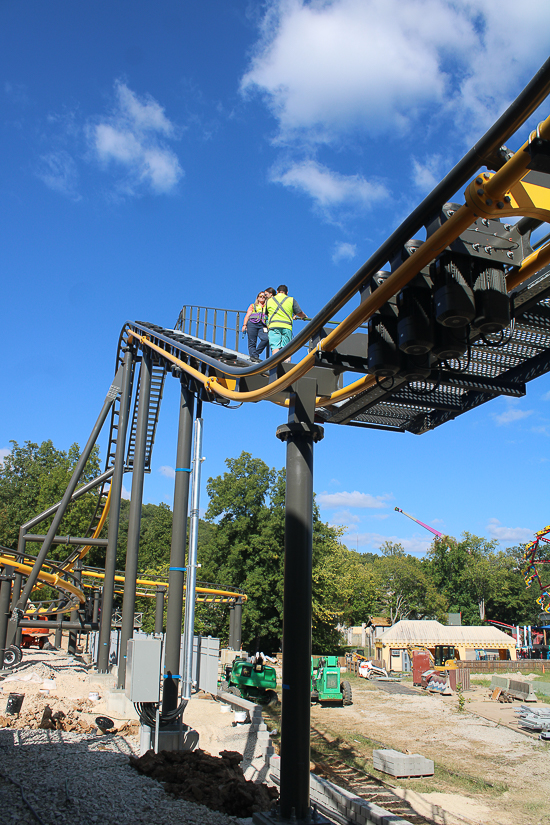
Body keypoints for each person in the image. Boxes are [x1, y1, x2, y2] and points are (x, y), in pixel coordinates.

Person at [266, 284, 306, 358]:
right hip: (286, 326)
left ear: (277, 291)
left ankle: (275, 365)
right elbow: (299, 313)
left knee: (275, 347)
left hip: (273, 325)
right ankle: (286, 365)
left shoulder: (269, 300)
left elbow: (266, 313)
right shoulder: (291, 300)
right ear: (287, 292)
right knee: (286, 348)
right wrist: (304, 316)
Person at [241, 291, 269, 359]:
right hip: (252, 324)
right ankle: (254, 356)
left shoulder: (267, 307)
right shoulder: (253, 306)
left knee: (266, 338)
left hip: (262, 325)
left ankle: (255, 353)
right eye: (260, 296)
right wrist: (244, 325)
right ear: (258, 298)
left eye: (264, 296)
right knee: (252, 341)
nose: (262, 298)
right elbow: (247, 315)